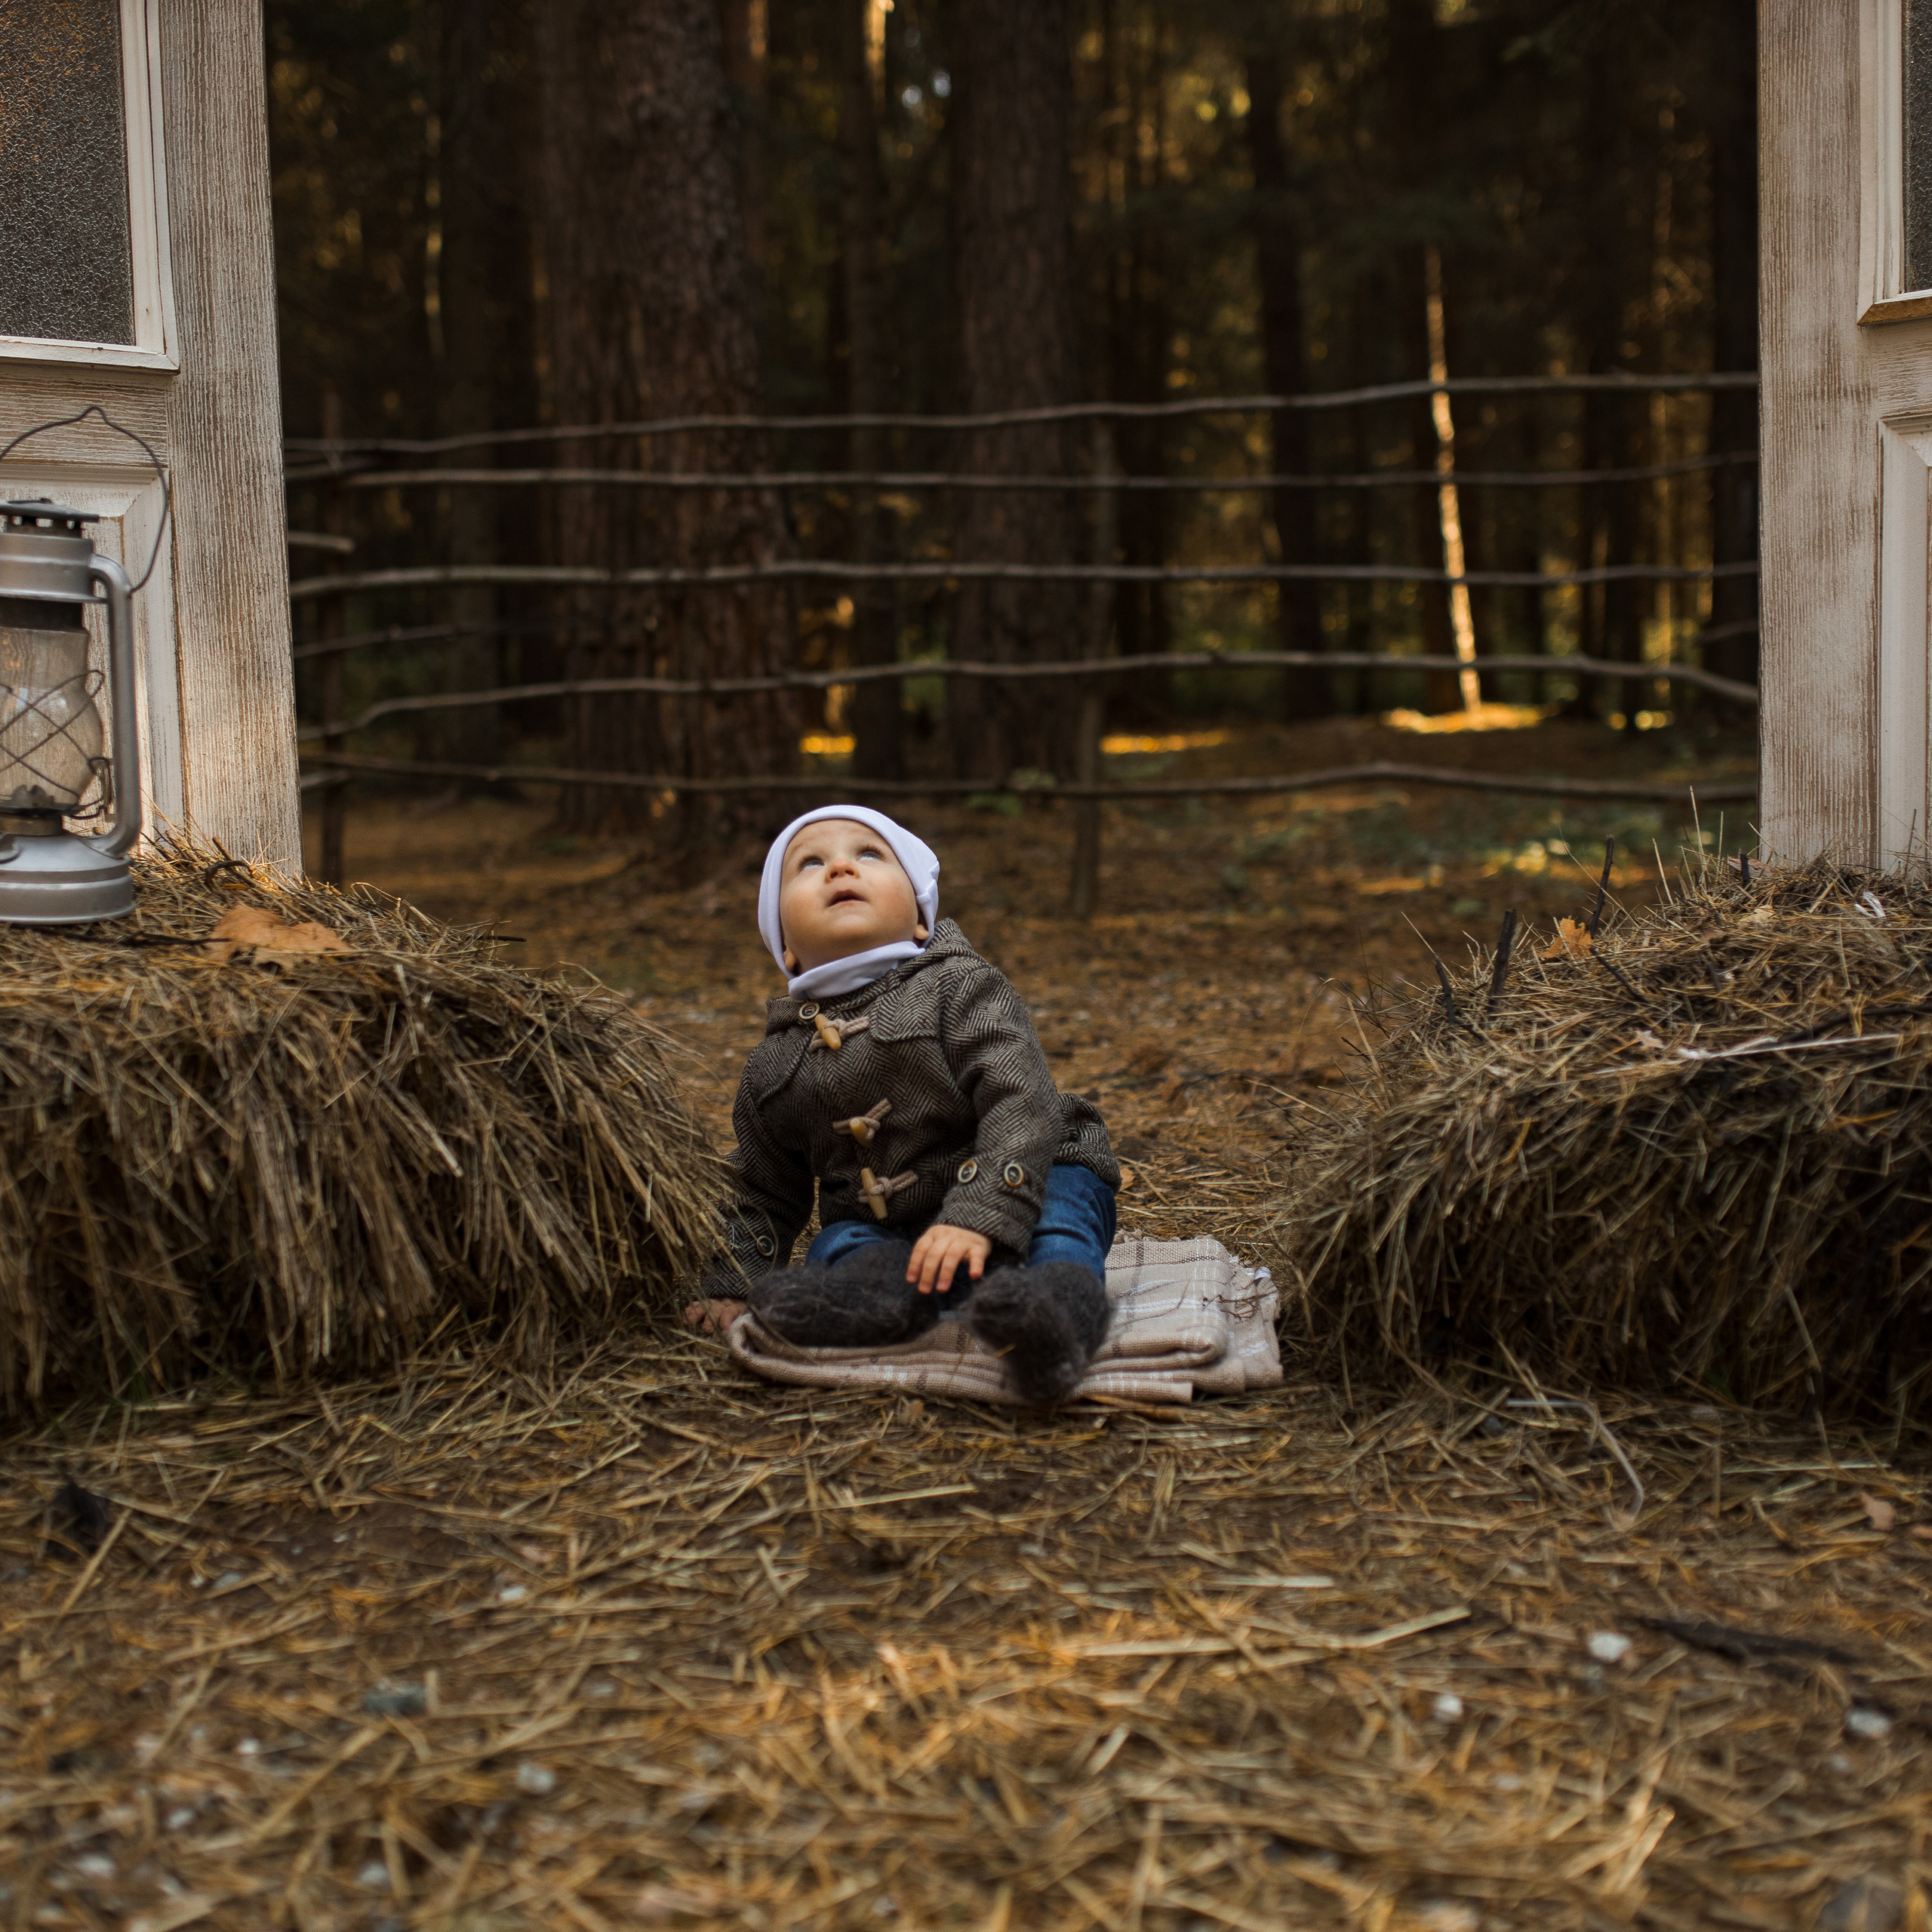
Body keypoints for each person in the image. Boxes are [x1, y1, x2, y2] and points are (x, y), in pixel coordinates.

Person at [688, 804, 1118, 1404]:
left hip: (1030, 1170)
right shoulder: (774, 1066)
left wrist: (977, 1213)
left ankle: (1050, 1315)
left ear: (921, 919)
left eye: (868, 854)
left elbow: (1020, 1097)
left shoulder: (960, 986)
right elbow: (762, 1189)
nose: (840, 866)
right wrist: (732, 1281)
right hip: (894, 1227)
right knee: (838, 1245)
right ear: (784, 947)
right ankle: (881, 1300)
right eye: (808, 864)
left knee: (1062, 1217)